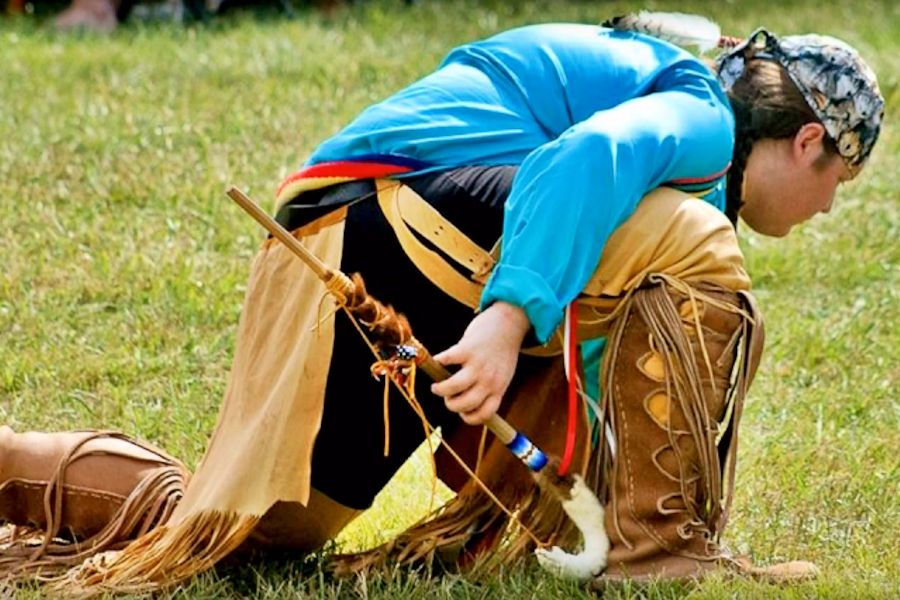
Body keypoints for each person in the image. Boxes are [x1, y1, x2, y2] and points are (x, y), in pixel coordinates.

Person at [0, 15, 883, 593]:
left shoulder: (676, 115)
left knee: (247, 534)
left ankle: (10, 466)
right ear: (807, 141)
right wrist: (506, 325)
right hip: (389, 212)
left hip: (360, 239)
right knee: (693, 240)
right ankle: (661, 550)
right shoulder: (703, 116)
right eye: (837, 181)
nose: (829, 208)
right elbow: (576, 161)